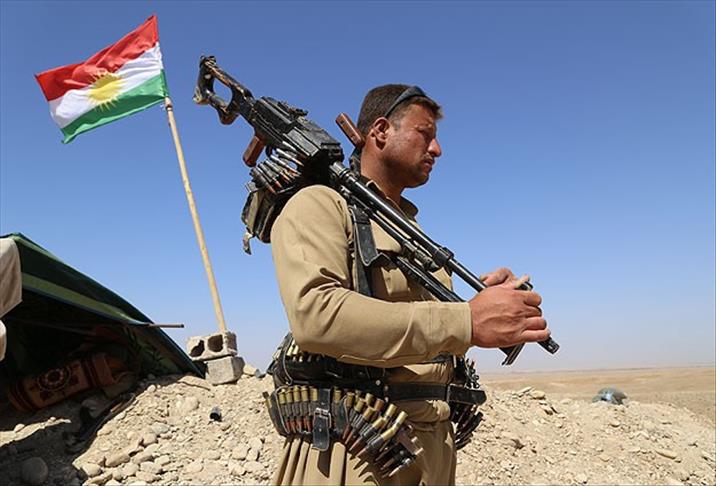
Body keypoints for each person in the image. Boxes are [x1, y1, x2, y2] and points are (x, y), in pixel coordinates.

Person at [269, 84, 550, 485]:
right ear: (381, 131)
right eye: (425, 134)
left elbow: (418, 335)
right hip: (355, 454)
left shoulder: (405, 228)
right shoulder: (320, 204)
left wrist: (485, 308)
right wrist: (467, 320)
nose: (437, 149)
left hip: (427, 444)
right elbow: (316, 316)